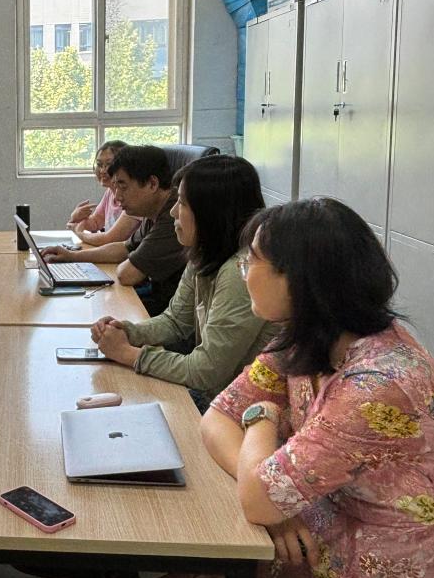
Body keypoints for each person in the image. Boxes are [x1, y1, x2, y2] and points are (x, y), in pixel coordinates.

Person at [126, 198, 434, 578]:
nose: (244, 272)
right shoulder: (308, 337)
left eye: (252, 261)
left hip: (386, 572)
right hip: (318, 532)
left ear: (298, 278)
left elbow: (257, 493)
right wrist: (276, 503)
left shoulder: (377, 386)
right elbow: (216, 420)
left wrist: (261, 419)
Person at [91, 155, 278, 408]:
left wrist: (128, 353)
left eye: (182, 203)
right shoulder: (204, 254)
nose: (172, 212)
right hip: (220, 398)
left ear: (210, 212)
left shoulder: (240, 272)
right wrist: (127, 331)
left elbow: (206, 371)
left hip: (239, 409)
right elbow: (175, 321)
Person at [43, 144, 186, 315]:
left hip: (168, 311)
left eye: (123, 186)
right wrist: (71, 256)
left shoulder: (175, 216)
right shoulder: (152, 211)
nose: (117, 196)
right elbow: (123, 248)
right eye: (115, 187)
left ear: (152, 183)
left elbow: (127, 274)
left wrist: (124, 263)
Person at [67, 140, 139, 246]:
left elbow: (109, 239)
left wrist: (79, 233)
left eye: (109, 164)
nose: (102, 171)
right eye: (99, 164)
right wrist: (76, 218)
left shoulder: (135, 198)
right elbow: (96, 222)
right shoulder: (110, 192)